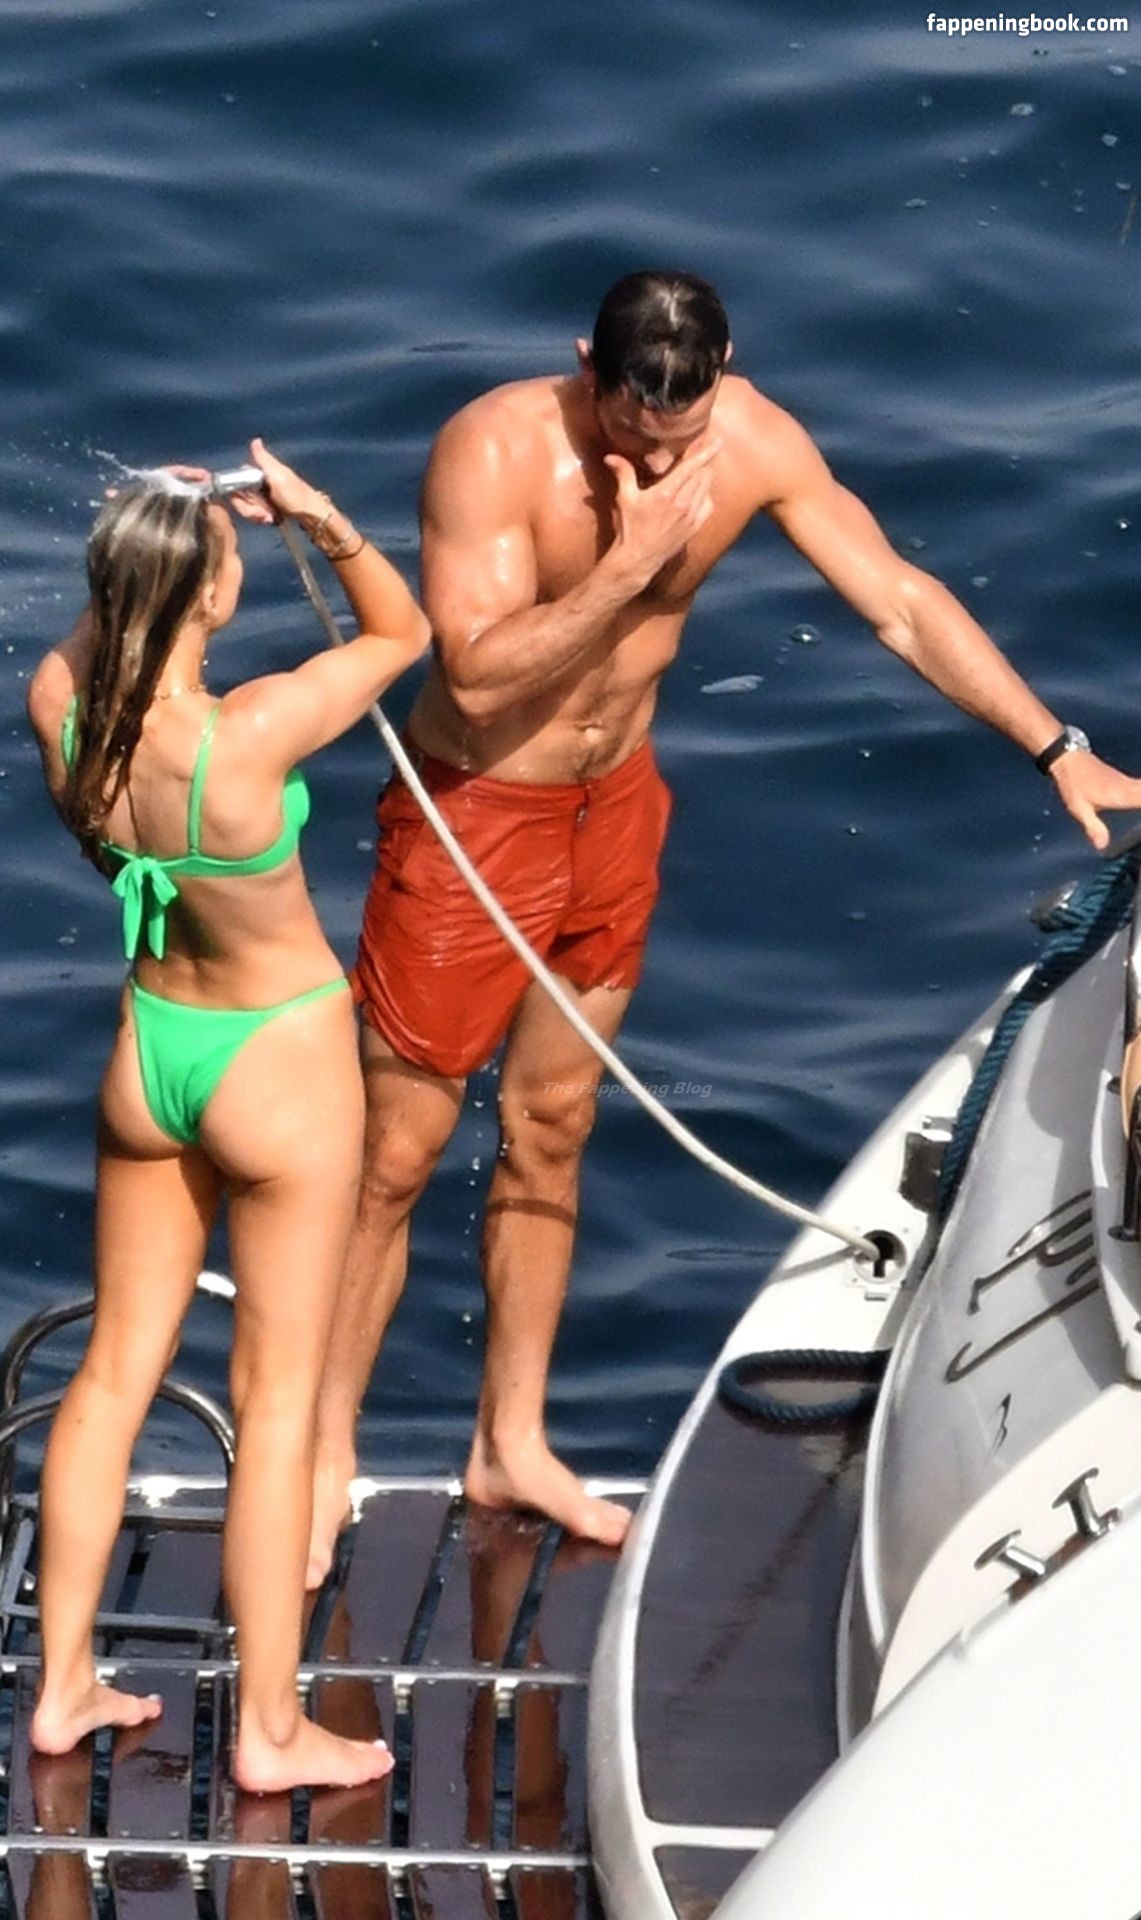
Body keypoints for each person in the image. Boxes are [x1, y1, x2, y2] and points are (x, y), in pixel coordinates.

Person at [306, 267, 1141, 1583]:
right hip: (477, 815)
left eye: (676, 439)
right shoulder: (495, 448)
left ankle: (509, 1443)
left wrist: (1053, 747)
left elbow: (896, 598)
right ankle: (315, 1458)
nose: (653, 462)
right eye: (628, 432)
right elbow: (472, 668)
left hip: (614, 814)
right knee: (396, 1155)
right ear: (585, 366)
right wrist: (630, 563)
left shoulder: (750, 441)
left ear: (724, 374)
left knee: (553, 1125)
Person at [25, 438, 430, 1790]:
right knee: (276, 1403)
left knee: (112, 1375)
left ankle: (64, 1684)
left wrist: (143, 535)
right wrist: (318, 518)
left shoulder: (64, 717)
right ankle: (268, 1729)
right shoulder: (247, 734)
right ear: (209, 595)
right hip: (278, 1064)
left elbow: (84, 646)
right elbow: (403, 632)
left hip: (150, 1052)